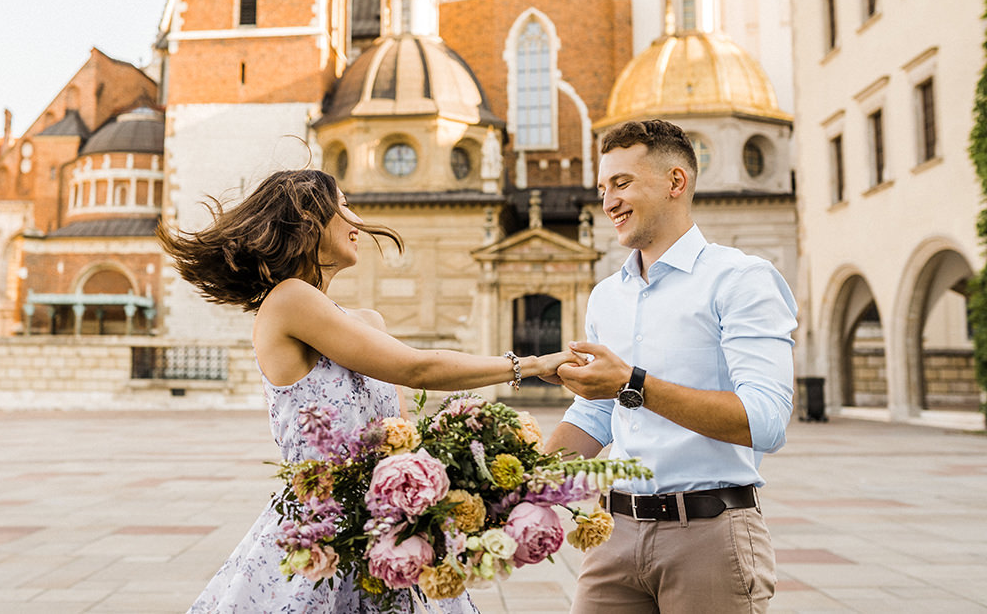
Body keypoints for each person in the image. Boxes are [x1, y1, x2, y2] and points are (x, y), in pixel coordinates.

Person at [158, 168, 576, 613]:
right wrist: (530, 364)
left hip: (384, 532)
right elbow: (418, 368)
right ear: (308, 218)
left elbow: (401, 439)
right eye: (345, 207)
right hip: (322, 536)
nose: (357, 221)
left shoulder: (367, 322)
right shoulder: (288, 300)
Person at [546, 119, 797, 613]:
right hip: (612, 537)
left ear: (675, 182)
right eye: (602, 188)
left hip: (710, 536)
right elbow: (595, 414)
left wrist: (632, 383)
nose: (607, 201)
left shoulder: (740, 279)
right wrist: (520, 483)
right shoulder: (606, 296)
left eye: (621, 183)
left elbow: (765, 421)